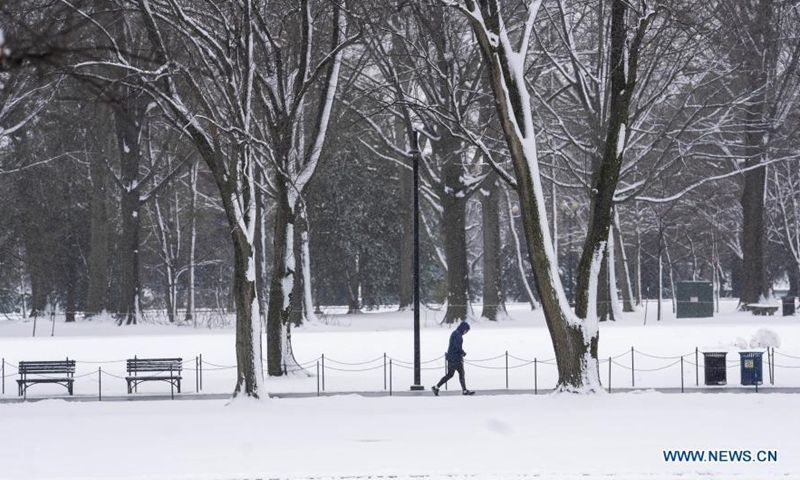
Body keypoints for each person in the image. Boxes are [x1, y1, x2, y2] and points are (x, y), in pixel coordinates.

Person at [432, 321, 474, 395]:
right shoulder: (458, 336)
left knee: (450, 375)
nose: (466, 332)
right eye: (466, 330)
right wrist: (462, 352)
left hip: (451, 357)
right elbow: (457, 346)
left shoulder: (454, 333)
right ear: (463, 329)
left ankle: (436, 387)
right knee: (461, 373)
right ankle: (464, 390)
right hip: (456, 358)